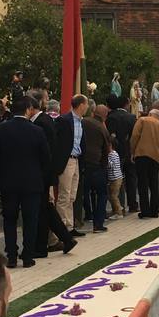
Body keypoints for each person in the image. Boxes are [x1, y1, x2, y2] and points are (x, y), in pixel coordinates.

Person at [0, 97, 50, 268]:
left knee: (10, 219)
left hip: (8, 181)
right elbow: (46, 158)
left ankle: (11, 255)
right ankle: (28, 255)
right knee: (30, 219)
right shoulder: (37, 131)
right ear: (28, 109)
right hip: (32, 181)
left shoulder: (1, 129)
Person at [14, 90, 75, 258]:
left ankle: (41, 246)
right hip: (42, 174)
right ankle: (64, 239)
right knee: (45, 209)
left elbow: (45, 153)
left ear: (31, 108)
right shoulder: (43, 121)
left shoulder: (41, 123)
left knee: (41, 211)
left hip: (41, 175)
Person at [53, 95, 88, 237]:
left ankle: (69, 225)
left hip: (76, 159)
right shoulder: (64, 120)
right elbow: (58, 141)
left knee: (72, 195)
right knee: (64, 195)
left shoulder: (81, 122)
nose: (87, 107)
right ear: (80, 105)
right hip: (67, 160)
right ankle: (62, 228)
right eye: (86, 104)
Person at [132, 106, 159, 219]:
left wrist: (132, 151)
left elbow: (135, 136)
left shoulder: (142, 120)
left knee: (142, 183)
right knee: (154, 183)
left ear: (150, 114)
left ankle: (145, 210)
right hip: (156, 158)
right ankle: (155, 210)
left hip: (141, 155)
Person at [80, 105, 111, 232]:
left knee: (82, 193)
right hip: (96, 165)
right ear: (105, 116)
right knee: (102, 194)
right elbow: (106, 150)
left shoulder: (83, 122)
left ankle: (80, 218)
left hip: (82, 163)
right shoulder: (102, 129)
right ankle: (98, 223)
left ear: (93, 112)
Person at [106, 95, 138, 214]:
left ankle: (120, 207)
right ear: (125, 104)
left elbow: (110, 135)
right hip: (129, 151)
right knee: (131, 178)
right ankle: (133, 204)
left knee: (117, 179)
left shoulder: (111, 117)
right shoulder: (131, 117)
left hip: (116, 152)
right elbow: (135, 136)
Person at [106, 132, 126, 218]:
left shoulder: (112, 154)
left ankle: (119, 212)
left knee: (114, 196)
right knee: (111, 195)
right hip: (115, 178)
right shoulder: (114, 153)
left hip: (116, 179)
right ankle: (117, 209)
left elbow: (112, 165)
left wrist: (105, 160)